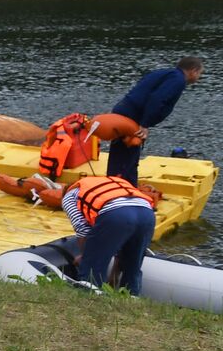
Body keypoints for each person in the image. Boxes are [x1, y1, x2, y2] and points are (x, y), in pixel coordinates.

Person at [93, 57, 204, 185]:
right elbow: (157, 99)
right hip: (132, 117)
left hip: (123, 111)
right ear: (193, 71)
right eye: (199, 73)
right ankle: (123, 190)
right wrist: (145, 124)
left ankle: (114, 185)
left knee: (120, 155)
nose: (198, 77)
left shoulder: (163, 73)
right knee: (128, 157)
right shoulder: (178, 80)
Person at [61, 176, 159, 295]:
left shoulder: (69, 196)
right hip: (147, 214)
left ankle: (89, 298)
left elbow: (82, 229)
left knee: (92, 268)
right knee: (133, 266)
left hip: (116, 214)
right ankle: (131, 298)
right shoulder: (111, 183)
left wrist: (84, 255)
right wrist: (114, 275)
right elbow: (121, 244)